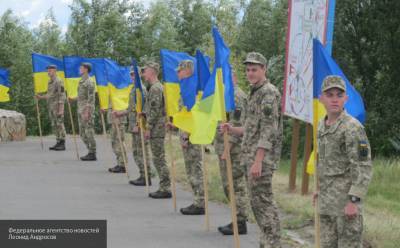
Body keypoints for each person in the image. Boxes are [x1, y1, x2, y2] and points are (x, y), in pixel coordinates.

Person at [222, 52, 283, 247]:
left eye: (254, 69)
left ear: (264, 69)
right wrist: (232, 129)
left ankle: (272, 243)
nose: (250, 73)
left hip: (262, 160)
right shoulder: (255, 92)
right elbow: (251, 128)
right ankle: (267, 241)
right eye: (248, 70)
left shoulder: (268, 93)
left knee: (264, 204)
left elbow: (268, 129)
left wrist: (258, 160)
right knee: (257, 204)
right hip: (250, 158)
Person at [313, 75, 372, 248]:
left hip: (346, 205)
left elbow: (363, 166)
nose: (334, 99)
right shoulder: (321, 126)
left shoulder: (352, 127)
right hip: (327, 203)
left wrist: (354, 201)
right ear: (321, 98)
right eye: (329, 95)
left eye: (339, 95)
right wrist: (318, 188)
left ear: (346, 98)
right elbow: (324, 162)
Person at [214, 69, 249, 234]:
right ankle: (236, 218)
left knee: (236, 185)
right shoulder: (226, 95)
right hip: (225, 147)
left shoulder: (236, 96)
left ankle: (240, 221)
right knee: (228, 185)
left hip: (234, 149)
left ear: (234, 77)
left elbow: (237, 123)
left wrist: (227, 149)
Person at [173, 60, 205, 215]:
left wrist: (186, 134)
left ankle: (200, 203)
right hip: (187, 133)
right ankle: (197, 200)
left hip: (191, 135)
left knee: (195, 169)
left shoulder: (191, 87)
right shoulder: (186, 86)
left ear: (187, 70)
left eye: (180, 70)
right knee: (190, 169)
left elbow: (192, 114)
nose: (177, 73)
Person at [142, 62, 171, 199]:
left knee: (159, 158)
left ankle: (165, 187)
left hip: (156, 128)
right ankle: (164, 185)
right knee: (158, 157)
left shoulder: (155, 88)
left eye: (145, 71)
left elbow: (154, 110)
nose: (143, 74)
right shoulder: (155, 87)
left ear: (152, 72)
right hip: (157, 127)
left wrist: (148, 127)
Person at [127, 70, 151, 186]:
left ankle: (146, 176)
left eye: (134, 74)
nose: (132, 76)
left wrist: (137, 124)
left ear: (139, 75)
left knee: (141, 151)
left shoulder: (141, 90)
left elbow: (142, 110)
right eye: (131, 74)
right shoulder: (134, 89)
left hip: (140, 125)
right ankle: (143, 175)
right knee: (136, 152)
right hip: (134, 124)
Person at [35, 64, 66, 151]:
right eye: (48, 70)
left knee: (59, 124)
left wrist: (61, 109)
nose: (48, 72)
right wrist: (40, 97)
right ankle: (58, 141)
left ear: (55, 70)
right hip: (51, 106)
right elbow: (50, 95)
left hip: (57, 106)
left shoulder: (58, 81)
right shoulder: (50, 81)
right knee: (54, 125)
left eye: (50, 70)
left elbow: (62, 95)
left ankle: (62, 143)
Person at [70, 62, 97, 161]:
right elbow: (82, 97)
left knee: (89, 131)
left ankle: (92, 153)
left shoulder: (89, 82)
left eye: (81, 68)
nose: (79, 69)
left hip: (87, 110)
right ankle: (90, 150)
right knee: (82, 133)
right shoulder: (81, 81)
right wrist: (73, 99)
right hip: (80, 109)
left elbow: (91, 98)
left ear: (86, 69)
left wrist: (87, 111)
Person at [105, 104, 127, 173]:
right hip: (114, 119)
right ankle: (119, 163)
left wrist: (119, 115)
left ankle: (122, 165)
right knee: (114, 142)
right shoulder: (112, 93)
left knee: (119, 142)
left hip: (119, 119)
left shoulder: (119, 93)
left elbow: (123, 104)